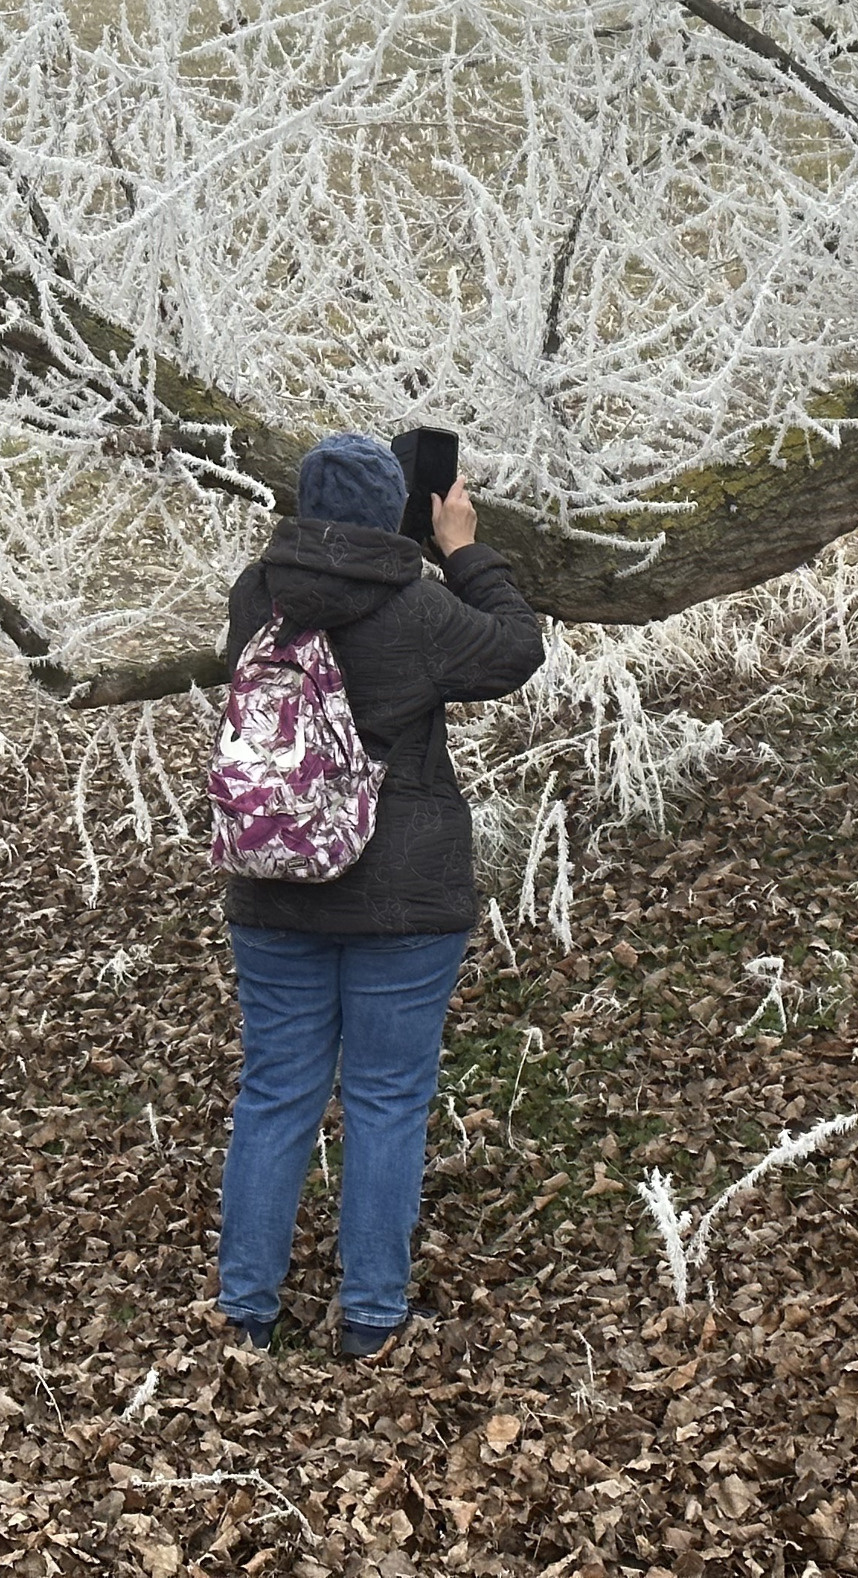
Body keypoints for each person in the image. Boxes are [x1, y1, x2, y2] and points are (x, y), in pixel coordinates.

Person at [214, 431, 546, 1359]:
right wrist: (464, 547)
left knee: (276, 1093)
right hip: (404, 896)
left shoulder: (258, 597)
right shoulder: (420, 610)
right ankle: (371, 1315)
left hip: (276, 884)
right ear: (396, 509)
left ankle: (247, 1310)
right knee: (387, 1099)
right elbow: (518, 651)